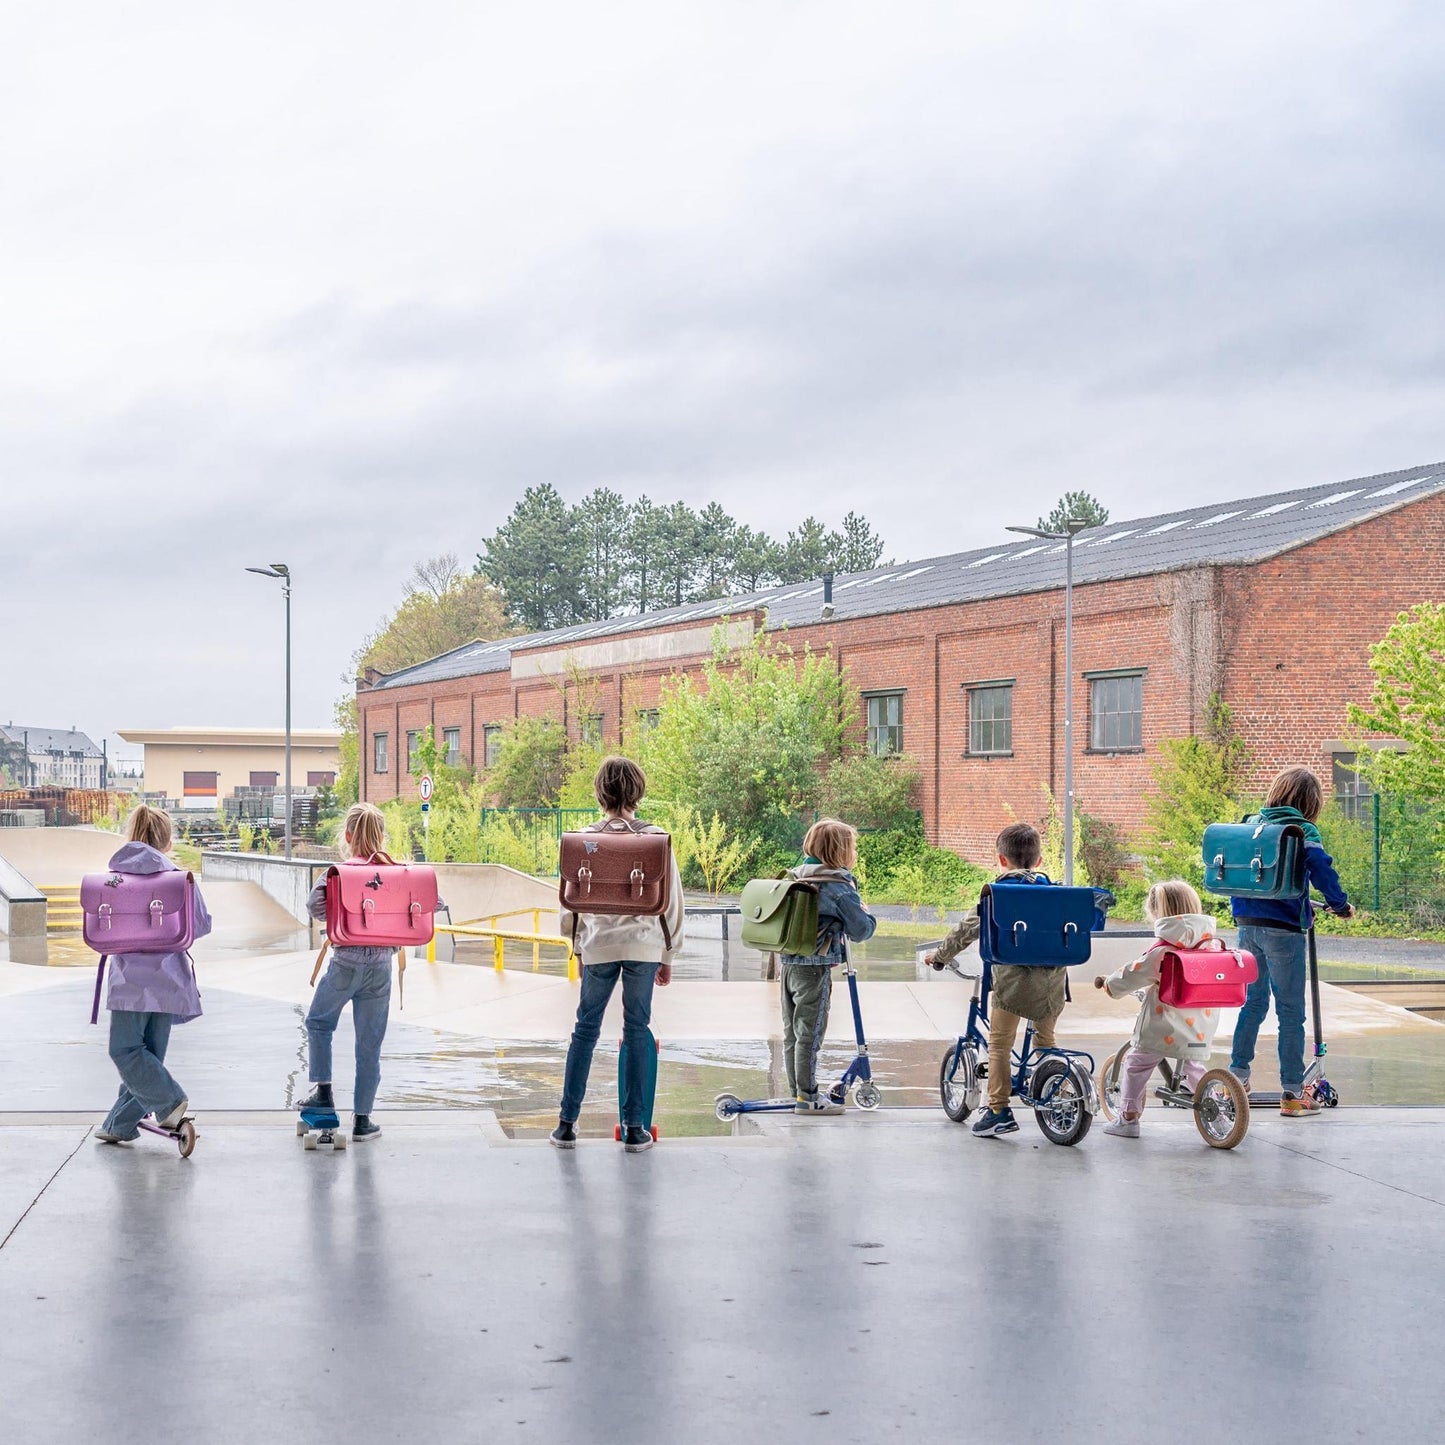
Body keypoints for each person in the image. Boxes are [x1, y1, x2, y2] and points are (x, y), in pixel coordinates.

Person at [551, 756, 685, 1153]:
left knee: (585, 1030)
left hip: (598, 945)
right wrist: (668, 954)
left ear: (599, 792)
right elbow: (673, 902)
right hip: (644, 945)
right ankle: (634, 1128)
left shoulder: (582, 841)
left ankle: (566, 1125)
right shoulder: (655, 839)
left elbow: (569, 902)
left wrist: (576, 944)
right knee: (637, 1030)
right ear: (638, 792)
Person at [1228, 766, 1354, 1116]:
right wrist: (1340, 904)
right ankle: (1293, 1093)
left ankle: (1236, 1079)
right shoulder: (1302, 830)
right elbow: (1321, 869)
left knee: (1252, 1004)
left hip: (1246, 926)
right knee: (1290, 1013)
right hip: (1283, 929)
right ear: (1310, 802)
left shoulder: (1251, 823)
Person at [923, 822, 1061, 1139]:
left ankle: (998, 1110)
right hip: (1054, 984)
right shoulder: (1053, 891)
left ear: (1001, 860)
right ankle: (1054, 1086)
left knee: (999, 1046)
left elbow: (964, 932)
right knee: (1045, 1042)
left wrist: (940, 957)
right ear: (1038, 862)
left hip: (1013, 985)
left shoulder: (998, 895)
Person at [94, 804, 212, 1143]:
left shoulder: (114, 878)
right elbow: (200, 925)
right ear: (167, 839)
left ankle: (170, 1101)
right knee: (148, 1058)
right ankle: (120, 1125)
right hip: (169, 981)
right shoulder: (179, 877)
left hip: (129, 980)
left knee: (125, 1051)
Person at [296, 801, 411, 1143]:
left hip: (345, 963)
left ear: (347, 836)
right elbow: (434, 901)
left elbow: (314, 906)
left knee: (319, 1022)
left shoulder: (338, 872)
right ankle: (362, 1120)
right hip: (381, 968)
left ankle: (324, 1094)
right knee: (369, 1044)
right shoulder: (395, 872)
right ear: (382, 837)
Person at [1093, 879, 1223, 1138]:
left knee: (1136, 1064)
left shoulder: (1164, 951)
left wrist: (1110, 985)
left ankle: (1128, 1119)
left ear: (1159, 913)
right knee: (1192, 1065)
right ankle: (1217, 1111)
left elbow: (1133, 973)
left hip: (1164, 1025)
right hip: (1200, 1023)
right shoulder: (1212, 946)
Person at [778, 818, 878, 1115]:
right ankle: (808, 1099)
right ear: (841, 851)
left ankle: (798, 1092)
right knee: (810, 1033)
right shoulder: (837, 885)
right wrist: (868, 914)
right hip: (816, 967)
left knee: (792, 1033)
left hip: (788, 964)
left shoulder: (793, 876)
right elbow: (861, 930)